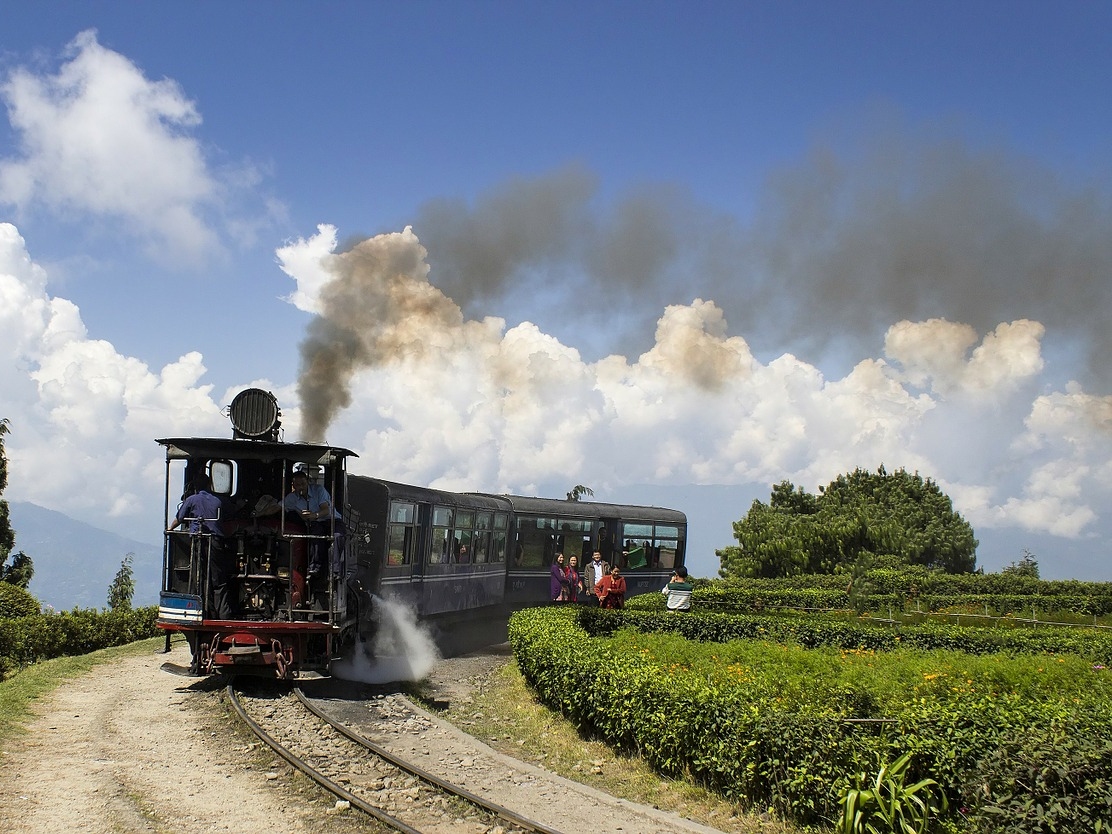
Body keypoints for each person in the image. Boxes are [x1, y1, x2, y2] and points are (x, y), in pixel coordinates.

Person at [168, 472, 234, 619]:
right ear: (210, 484)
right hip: (216, 541)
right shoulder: (219, 501)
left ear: (195, 487)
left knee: (200, 577)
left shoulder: (192, 500)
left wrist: (169, 530)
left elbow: (179, 518)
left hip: (199, 542)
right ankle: (224, 615)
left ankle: (204, 612)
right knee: (218, 579)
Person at [280, 468, 346, 580]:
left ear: (307, 482)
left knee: (337, 536)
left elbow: (326, 510)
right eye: (298, 485)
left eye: (303, 484)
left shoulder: (319, 490)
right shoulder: (291, 498)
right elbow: (278, 506)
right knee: (315, 536)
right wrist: (259, 512)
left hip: (332, 520)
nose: (301, 487)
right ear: (293, 486)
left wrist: (313, 515)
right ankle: (314, 568)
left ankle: (335, 571)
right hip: (316, 523)